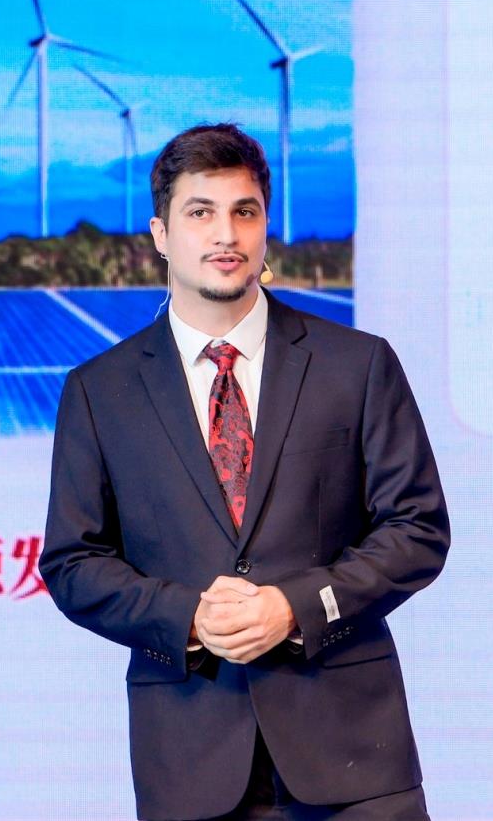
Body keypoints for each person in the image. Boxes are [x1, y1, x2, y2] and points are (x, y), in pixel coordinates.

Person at [41, 123, 450, 820]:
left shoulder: (357, 364)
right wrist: (189, 618)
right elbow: (73, 563)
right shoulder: (99, 391)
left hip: (352, 753)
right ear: (160, 233)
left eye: (244, 211)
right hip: (190, 758)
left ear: (265, 228)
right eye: (200, 212)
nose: (225, 234)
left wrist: (295, 606)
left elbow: (417, 530)